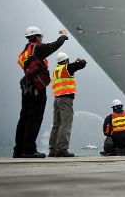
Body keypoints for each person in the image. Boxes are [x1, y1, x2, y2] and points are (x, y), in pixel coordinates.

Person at [14, 27, 68, 158]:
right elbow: (53, 46)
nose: (42, 39)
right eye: (41, 37)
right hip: (37, 88)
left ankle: (19, 150)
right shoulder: (36, 48)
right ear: (37, 37)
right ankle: (29, 149)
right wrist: (63, 36)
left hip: (26, 87)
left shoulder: (24, 53)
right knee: (35, 118)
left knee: (24, 119)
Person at [48, 52, 87, 157]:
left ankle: (53, 149)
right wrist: (80, 60)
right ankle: (62, 149)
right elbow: (83, 64)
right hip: (65, 99)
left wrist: (74, 63)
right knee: (66, 124)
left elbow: (70, 67)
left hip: (57, 99)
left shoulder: (56, 70)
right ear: (66, 60)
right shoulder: (67, 68)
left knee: (56, 125)